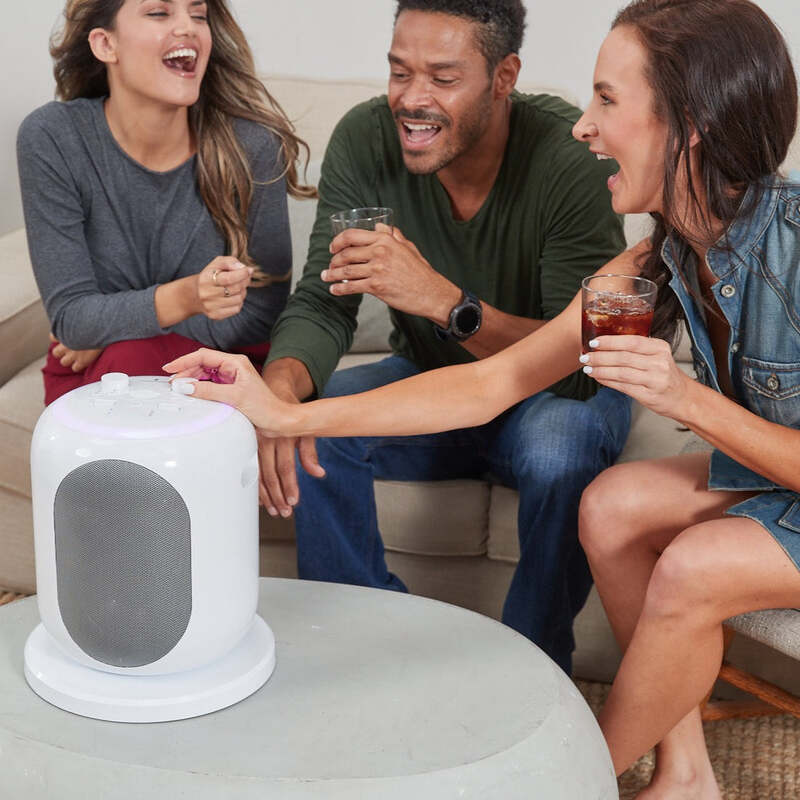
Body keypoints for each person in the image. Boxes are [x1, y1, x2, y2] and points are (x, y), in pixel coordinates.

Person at [166, 0, 800, 794]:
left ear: (691, 125)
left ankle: (562, 782)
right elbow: (491, 383)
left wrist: (686, 399)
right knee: (610, 508)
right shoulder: (655, 262)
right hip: (776, 482)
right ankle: (686, 775)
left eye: (608, 100)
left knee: (692, 568)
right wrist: (283, 411)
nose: (586, 125)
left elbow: (600, 393)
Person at [252, 0, 632, 673]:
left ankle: (531, 667)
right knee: (319, 425)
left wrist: (443, 301)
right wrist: (279, 398)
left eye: (443, 78)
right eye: (400, 72)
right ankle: (367, 650)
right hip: (435, 383)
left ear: (504, 76)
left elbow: (582, 364)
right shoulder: (366, 139)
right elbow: (324, 301)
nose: (411, 99)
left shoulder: (570, 160)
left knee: (559, 451)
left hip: (556, 396)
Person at [18, 0, 313, 406]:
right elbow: (72, 319)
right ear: (105, 44)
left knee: (128, 356)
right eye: (159, 12)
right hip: (95, 375)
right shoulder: (53, 138)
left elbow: (262, 314)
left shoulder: (253, 147)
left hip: (220, 366)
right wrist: (187, 297)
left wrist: (112, 329)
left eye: (198, 15)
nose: (188, 27)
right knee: (124, 365)